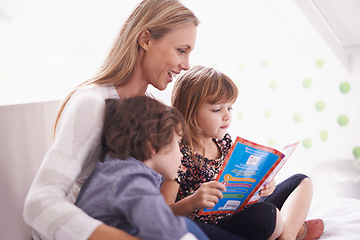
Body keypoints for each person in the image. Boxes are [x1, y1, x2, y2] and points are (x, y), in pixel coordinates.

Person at [23, 0, 199, 239]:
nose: (187, 65)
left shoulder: (152, 109)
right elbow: (39, 202)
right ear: (145, 40)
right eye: (181, 50)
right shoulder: (92, 102)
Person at [161, 65, 324, 240]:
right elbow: (162, 211)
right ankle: (295, 230)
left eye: (230, 108)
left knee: (301, 181)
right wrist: (193, 201)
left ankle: (287, 236)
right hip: (214, 227)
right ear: (190, 112)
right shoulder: (179, 153)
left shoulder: (224, 142)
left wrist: (264, 185)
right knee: (268, 215)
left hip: (237, 214)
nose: (227, 116)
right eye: (217, 109)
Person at [75, 96, 210, 240]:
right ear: (154, 143)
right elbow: (159, 224)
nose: (182, 155)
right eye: (177, 142)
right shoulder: (131, 178)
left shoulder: (112, 168)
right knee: (185, 226)